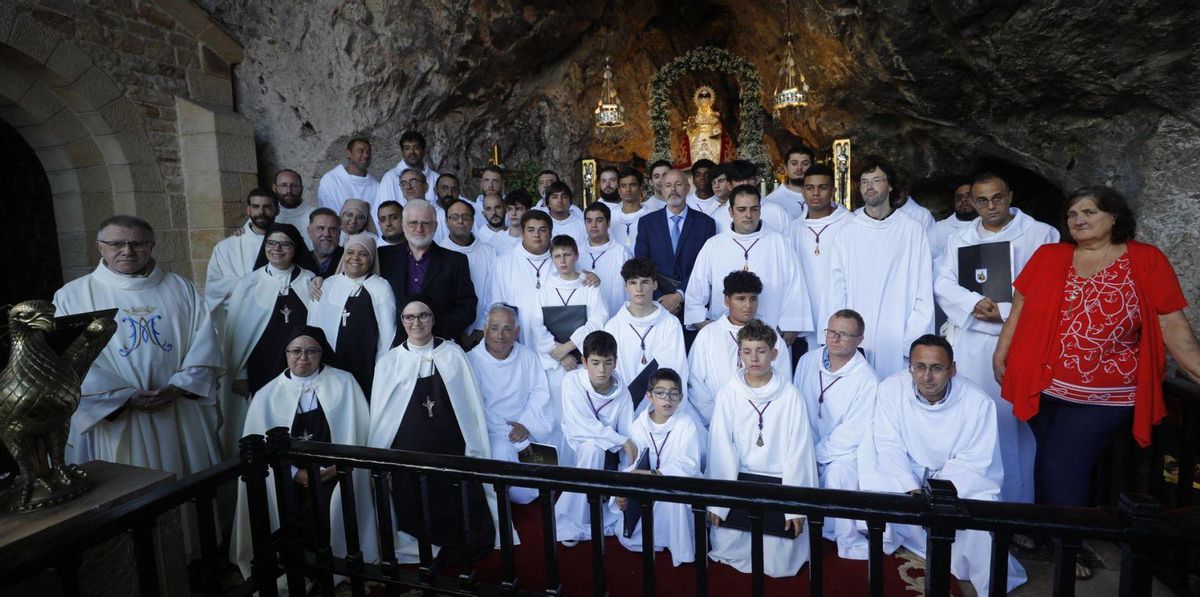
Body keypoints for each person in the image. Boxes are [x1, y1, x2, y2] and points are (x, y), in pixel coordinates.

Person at [994, 185, 1200, 577]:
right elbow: (1019, 307)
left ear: (1114, 217)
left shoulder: (1146, 260)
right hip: (1044, 380)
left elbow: (1172, 324)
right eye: (1072, 214)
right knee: (1045, 460)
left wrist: (1196, 370)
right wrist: (1001, 352)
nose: (1079, 220)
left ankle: (1070, 545)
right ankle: (1044, 530)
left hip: (1105, 392)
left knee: (1062, 465)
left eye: (1089, 212)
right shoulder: (1050, 255)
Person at [52, 215, 222, 478]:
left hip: (178, 410)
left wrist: (181, 385)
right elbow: (68, 357)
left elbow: (206, 343)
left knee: (188, 489)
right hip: (116, 415)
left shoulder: (181, 288)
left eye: (138, 244)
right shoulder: (72, 296)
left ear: (152, 246)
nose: (127, 251)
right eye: (116, 243)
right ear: (100, 247)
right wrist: (124, 395)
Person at [858, 335, 1026, 595]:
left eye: (936, 368)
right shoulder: (891, 389)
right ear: (910, 367)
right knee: (873, 475)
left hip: (956, 480)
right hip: (908, 472)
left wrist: (936, 491)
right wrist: (911, 487)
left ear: (952, 369)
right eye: (920, 367)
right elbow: (888, 444)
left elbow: (975, 460)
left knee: (979, 508)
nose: (927, 377)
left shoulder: (978, 402)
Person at [934, 172, 1059, 505]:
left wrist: (1004, 311)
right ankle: (971, 502)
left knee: (1009, 430)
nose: (991, 206)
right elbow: (943, 282)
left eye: (998, 198)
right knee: (970, 425)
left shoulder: (1041, 234)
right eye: (982, 200)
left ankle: (1015, 509)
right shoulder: (959, 237)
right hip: (970, 339)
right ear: (972, 202)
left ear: (1010, 196)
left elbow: (1051, 289)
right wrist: (973, 303)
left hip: (1015, 342)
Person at [232, 326, 372, 581]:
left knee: (332, 506)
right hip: (288, 476)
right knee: (289, 512)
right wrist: (297, 474)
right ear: (285, 354)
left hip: (335, 474)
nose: (303, 358)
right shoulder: (267, 395)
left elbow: (358, 433)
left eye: (311, 351)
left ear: (322, 353)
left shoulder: (344, 382)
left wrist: (334, 469)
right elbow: (261, 449)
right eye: (295, 351)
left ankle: (335, 565)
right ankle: (299, 569)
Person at [367, 298, 499, 564]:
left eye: (423, 316)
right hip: (410, 455)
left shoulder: (452, 353)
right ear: (402, 322)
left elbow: (469, 405)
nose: (417, 322)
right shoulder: (390, 362)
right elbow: (383, 416)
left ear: (433, 318)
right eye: (409, 317)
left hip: (451, 449)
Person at [706, 320, 817, 578]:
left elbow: (799, 451)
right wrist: (719, 502)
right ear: (739, 353)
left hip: (779, 482)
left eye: (761, 351)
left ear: (774, 354)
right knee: (728, 546)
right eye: (747, 351)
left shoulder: (790, 396)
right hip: (739, 481)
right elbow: (720, 448)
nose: (753, 358)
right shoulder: (729, 393)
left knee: (781, 561)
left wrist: (794, 507)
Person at [823, 156, 934, 378]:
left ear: (890, 186)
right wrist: (839, 336)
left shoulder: (911, 230)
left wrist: (913, 340)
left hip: (898, 334)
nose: (869, 187)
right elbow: (835, 287)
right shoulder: (847, 232)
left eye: (876, 180)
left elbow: (923, 288)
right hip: (855, 336)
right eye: (864, 182)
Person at [215, 223, 317, 458]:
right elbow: (237, 335)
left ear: (295, 248)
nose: (277, 248)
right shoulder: (248, 284)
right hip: (259, 369)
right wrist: (240, 373)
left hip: (299, 366)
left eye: (285, 244)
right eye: (271, 243)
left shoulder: (309, 279)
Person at [792, 310, 877, 557]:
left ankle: (842, 537)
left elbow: (852, 433)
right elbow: (796, 405)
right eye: (831, 332)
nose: (834, 339)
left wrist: (814, 455)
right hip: (807, 443)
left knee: (838, 475)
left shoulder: (867, 380)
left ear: (860, 339)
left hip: (842, 454)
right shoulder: (808, 360)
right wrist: (802, 448)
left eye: (843, 334)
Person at [685, 185, 810, 341]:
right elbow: (695, 294)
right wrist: (711, 332)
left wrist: (789, 333)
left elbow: (795, 290)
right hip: (724, 338)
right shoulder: (714, 245)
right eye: (742, 209)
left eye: (754, 209)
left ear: (760, 210)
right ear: (730, 212)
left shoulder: (780, 243)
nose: (748, 215)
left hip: (770, 338)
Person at [611, 368, 701, 567]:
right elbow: (631, 465)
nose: (667, 398)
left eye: (673, 393)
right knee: (632, 537)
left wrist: (653, 473)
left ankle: (678, 546)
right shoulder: (638, 426)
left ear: (680, 397)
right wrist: (621, 493)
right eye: (660, 393)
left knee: (675, 496)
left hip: (675, 484)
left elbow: (688, 464)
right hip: (646, 487)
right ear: (649, 396)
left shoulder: (686, 424)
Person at [555, 330, 636, 546]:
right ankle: (573, 520)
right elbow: (580, 423)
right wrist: (619, 440)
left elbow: (627, 433)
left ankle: (605, 508)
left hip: (610, 447)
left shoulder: (623, 393)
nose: (602, 370)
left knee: (621, 453)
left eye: (608, 362)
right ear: (584, 361)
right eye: (595, 362)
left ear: (616, 362)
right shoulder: (572, 381)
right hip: (576, 441)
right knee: (592, 448)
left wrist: (625, 476)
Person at [467, 304, 554, 504]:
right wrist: (512, 433)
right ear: (485, 330)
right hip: (492, 433)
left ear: (517, 332)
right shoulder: (471, 360)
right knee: (503, 455)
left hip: (527, 427)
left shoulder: (527, 357)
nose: (500, 335)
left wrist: (526, 425)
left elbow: (539, 394)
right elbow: (475, 406)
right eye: (495, 328)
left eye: (507, 329)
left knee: (536, 487)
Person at [687, 271, 792, 427]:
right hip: (716, 421)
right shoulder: (708, 334)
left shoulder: (770, 335)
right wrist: (718, 418)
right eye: (741, 299)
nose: (748, 305)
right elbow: (695, 383)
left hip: (762, 421)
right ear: (727, 300)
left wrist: (761, 417)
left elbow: (782, 381)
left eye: (753, 298)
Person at [308, 233, 396, 397]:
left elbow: (388, 334)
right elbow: (314, 325)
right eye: (350, 252)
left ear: (371, 258)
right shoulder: (327, 285)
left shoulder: (381, 287)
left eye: (363, 254)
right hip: (330, 365)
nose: (355, 258)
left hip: (366, 366)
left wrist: (381, 370)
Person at [378, 199, 477, 343]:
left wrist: (433, 331)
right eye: (413, 223)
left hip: (438, 343)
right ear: (403, 225)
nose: (419, 229)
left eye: (426, 223)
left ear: (435, 226)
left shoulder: (456, 261)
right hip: (392, 345)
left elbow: (467, 307)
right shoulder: (382, 257)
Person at [604, 257, 689, 417]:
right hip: (624, 409)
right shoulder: (613, 326)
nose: (639, 288)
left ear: (655, 284)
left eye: (645, 282)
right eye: (633, 283)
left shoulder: (670, 324)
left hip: (662, 410)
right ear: (625, 287)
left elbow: (677, 370)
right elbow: (611, 374)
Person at [635, 169, 717, 331]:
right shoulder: (647, 223)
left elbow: (706, 266)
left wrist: (679, 295)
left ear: (688, 188)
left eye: (678, 184)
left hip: (694, 304)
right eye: (668, 186)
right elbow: (642, 264)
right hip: (658, 304)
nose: (673, 190)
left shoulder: (705, 223)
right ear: (662, 190)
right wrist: (661, 299)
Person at [786, 164, 854, 351]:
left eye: (822, 187)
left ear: (833, 190)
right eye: (810, 188)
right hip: (804, 315)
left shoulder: (850, 223)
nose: (815, 193)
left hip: (839, 310)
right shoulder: (793, 229)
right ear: (803, 191)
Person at [439, 198, 497, 348]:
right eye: (454, 217)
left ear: (472, 220)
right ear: (446, 221)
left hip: (485, 330)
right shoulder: (438, 253)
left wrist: (481, 327)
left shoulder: (488, 252)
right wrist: (458, 330)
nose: (460, 221)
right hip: (449, 333)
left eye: (466, 217)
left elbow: (495, 291)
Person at [205, 188, 277, 309]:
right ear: (248, 210)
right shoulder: (226, 247)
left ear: (276, 210)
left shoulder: (288, 243)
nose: (261, 212)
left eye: (267, 207)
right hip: (240, 316)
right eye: (256, 206)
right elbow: (213, 288)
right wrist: (252, 285)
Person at [581, 202, 633, 316]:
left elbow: (632, 289)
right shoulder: (577, 253)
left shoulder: (621, 253)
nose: (593, 225)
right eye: (589, 221)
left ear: (608, 223)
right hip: (585, 319)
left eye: (599, 220)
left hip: (616, 317)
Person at [712, 160, 789, 233]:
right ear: (729, 185)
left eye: (749, 178)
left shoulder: (777, 212)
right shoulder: (717, 217)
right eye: (739, 179)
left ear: (756, 181)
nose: (745, 183)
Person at [317, 137, 379, 218]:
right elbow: (328, 214)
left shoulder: (376, 187)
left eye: (368, 152)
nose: (366, 155)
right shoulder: (331, 180)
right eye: (361, 151)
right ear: (349, 154)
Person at [376, 130, 439, 207]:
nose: (411, 152)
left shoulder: (436, 178)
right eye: (407, 148)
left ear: (423, 150)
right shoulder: (390, 178)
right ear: (402, 151)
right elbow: (384, 210)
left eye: (416, 148)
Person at [610, 167, 658, 251]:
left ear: (640, 188)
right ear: (619, 190)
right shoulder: (611, 216)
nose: (628, 190)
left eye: (633, 185)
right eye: (623, 186)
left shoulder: (652, 216)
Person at [763, 144, 813, 221]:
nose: (799, 168)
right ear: (785, 168)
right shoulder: (773, 200)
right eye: (794, 163)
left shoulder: (820, 197)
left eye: (805, 164)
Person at [928, 178, 976, 258]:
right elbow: (927, 258)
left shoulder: (989, 224)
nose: (963, 200)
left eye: (969, 196)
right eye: (959, 197)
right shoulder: (938, 229)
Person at [540, 181, 588, 250]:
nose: (559, 200)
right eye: (555, 197)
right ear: (548, 202)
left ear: (570, 201)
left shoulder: (582, 224)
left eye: (564, 197)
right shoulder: (542, 223)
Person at [489, 189, 532, 254]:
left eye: (518, 209)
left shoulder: (534, 239)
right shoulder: (496, 240)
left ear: (528, 211)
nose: (513, 213)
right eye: (510, 209)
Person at [272, 169, 315, 235]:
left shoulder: (315, 215)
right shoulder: (268, 215)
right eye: (284, 185)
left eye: (294, 186)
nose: (289, 190)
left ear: (301, 188)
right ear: (274, 188)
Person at [306, 208, 343, 278]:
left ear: (339, 233)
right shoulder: (301, 262)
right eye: (321, 228)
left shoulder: (349, 260)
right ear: (309, 232)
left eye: (332, 229)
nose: (327, 234)